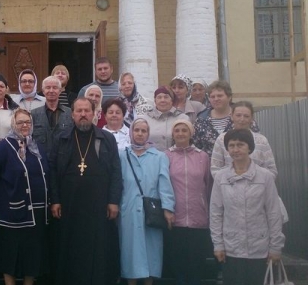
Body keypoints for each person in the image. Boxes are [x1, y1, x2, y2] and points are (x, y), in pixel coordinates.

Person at [49, 98, 122, 285]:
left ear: (94, 113)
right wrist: (55, 200)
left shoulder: (106, 138)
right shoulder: (62, 138)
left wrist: (113, 201)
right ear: (72, 115)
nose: (83, 114)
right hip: (69, 203)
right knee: (70, 245)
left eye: (87, 111)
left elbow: (116, 171)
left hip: (98, 204)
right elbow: (53, 171)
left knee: (97, 245)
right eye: (79, 111)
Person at [0, 108, 50, 285]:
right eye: (20, 122)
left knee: (32, 256)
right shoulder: (4, 146)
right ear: (13, 124)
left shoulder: (36, 146)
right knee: (9, 255)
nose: (24, 125)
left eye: (28, 122)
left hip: (37, 213)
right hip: (12, 212)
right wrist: (2, 193)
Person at [210, 129, 284, 285]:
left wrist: (275, 247)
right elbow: (216, 213)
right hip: (231, 249)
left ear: (250, 147)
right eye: (231, 145)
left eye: (240, 145)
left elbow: (274, 213)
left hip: (259, 249)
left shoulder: (265, 177)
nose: (235, 150)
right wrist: (218, 244)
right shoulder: (221, 177)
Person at [119, 118, 175, 285]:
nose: (140, 134)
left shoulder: (159, 156)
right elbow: (117, 183)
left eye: (144, 131)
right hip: (128, 209)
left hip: (151, 210)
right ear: (131, 132)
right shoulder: (123, 155)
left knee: (151, 249)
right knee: (130, 249)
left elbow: (164, 183)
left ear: (148, 134)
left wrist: (168, 208)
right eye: (137, 130)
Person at [165, 119, 212, 285]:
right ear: (172, 134)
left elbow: (208, 186)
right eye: (177, 130)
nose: (180, 133)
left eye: (184, 130)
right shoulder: (166, 156)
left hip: (198, 217)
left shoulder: (203, 156)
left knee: (196, 263)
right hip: (175, 218)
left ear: (191, 133)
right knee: (178, 263)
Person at [193, 80, 259, 157]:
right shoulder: (201, 120)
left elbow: (256, 141)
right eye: (212, 96)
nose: (216, 99)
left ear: (229, 97)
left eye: (220, 96)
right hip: (210, 166)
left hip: (239, 164)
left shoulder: (241, 116)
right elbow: (196, 146)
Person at [211, 101, 277, 178]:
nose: (242, 119)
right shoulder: (222, 139)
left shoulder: (262, 140)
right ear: (232, 116)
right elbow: (215, 169)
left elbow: (271, 170)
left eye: (246, 116)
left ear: (252, 118)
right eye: (238, 115)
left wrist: (256, 184)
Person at [31, 76, 73, 154]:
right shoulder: (33, 114)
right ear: (43, 91)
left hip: (63, 161)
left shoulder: (70, 114)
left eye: (55, 88)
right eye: (48, 87)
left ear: (60, 91)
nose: (51, 90)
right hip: (41, 160)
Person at [140, 86, 189, 152]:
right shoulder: (144, 119)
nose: (162, 100)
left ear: (172, 100)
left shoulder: (182, 118)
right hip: (152, 159)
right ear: (155, 100)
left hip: (176, 159)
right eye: (159, 97)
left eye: (166, 97)